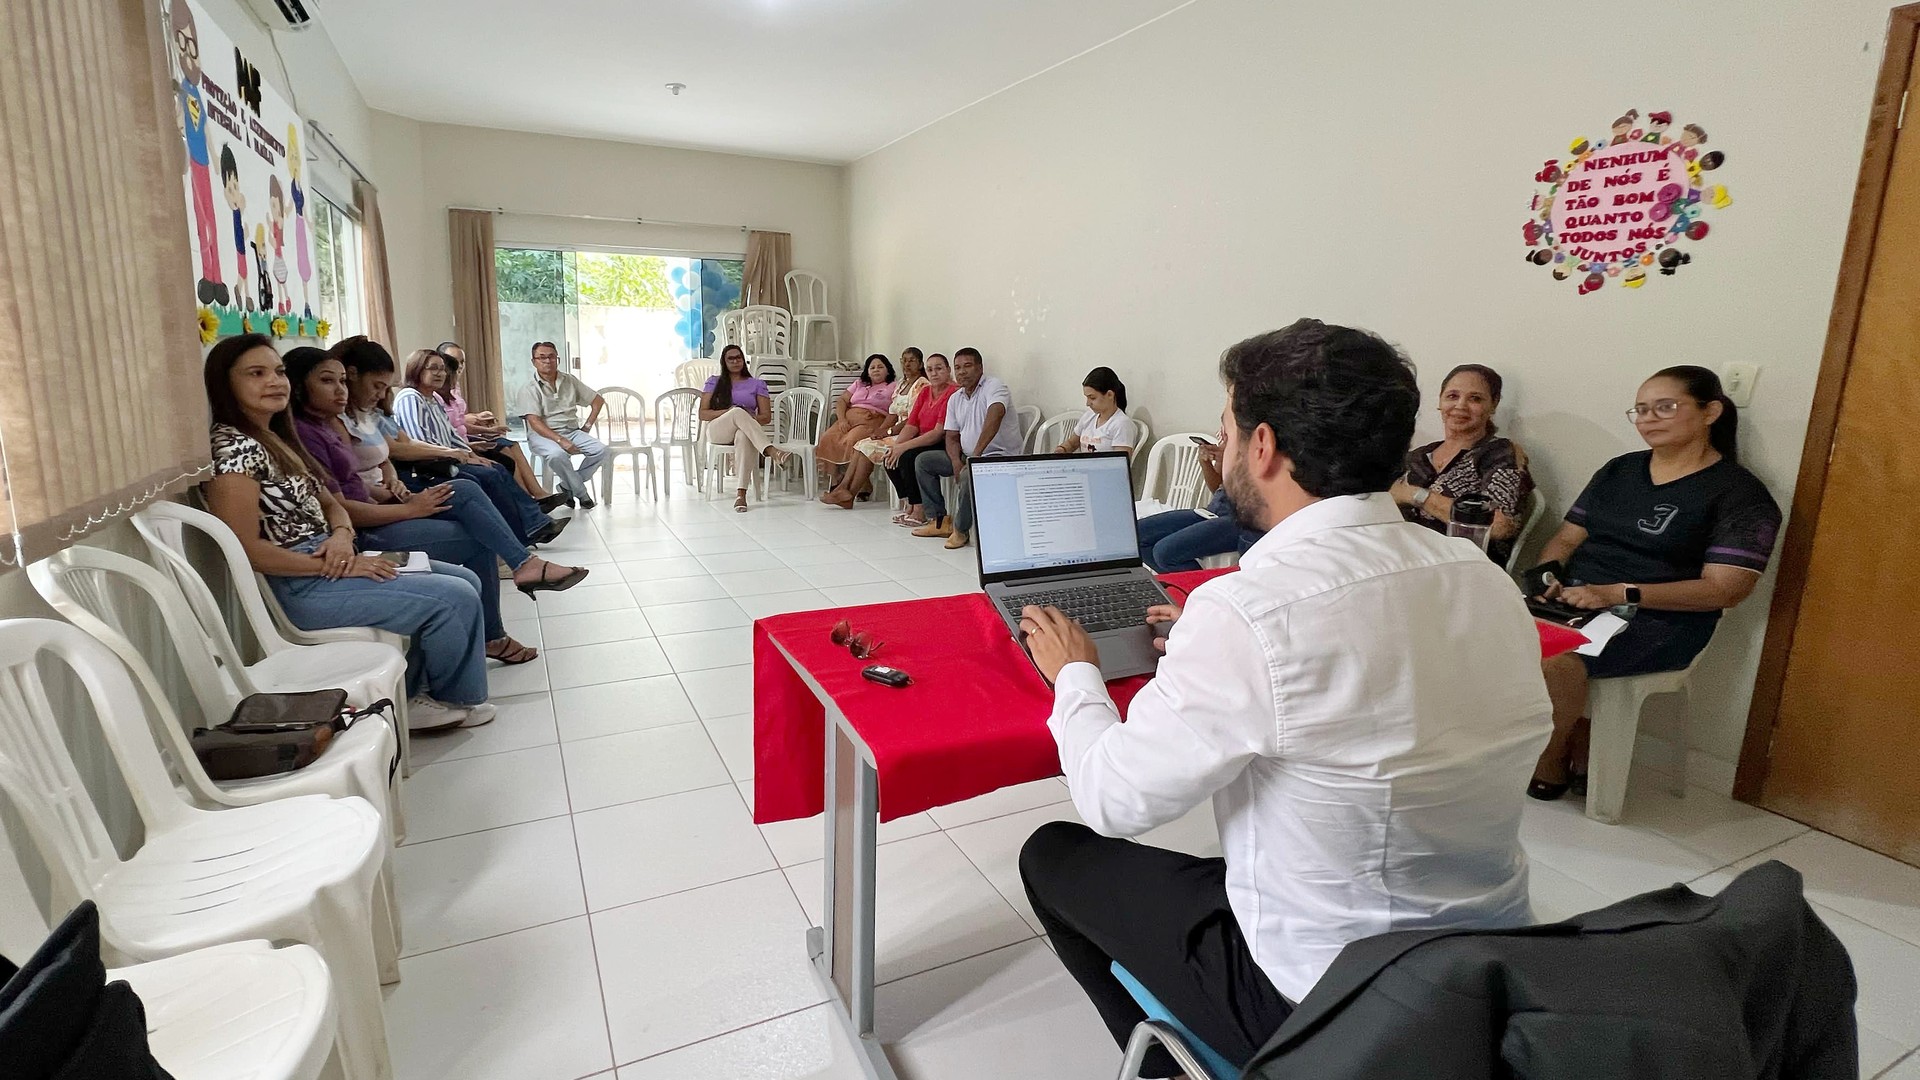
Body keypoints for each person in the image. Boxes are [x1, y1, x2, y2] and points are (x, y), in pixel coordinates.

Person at [1015, 319, 1553, 1077]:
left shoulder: (1250, 610)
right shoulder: (1483, 580)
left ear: (1261, 446)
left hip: (1321, 995)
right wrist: (1212, 644)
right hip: (1486, 964)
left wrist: (1075, 671)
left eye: (1227, 428)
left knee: (1054, 855)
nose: (1223, 447)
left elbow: (1112, 797)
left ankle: (1183, 1066)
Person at [203, 335, 500, 731]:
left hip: (333, 557)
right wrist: (337, 564)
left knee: (463, 577)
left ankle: (417, 692)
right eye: (256, 374)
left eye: (277, 372)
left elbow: (331, 504)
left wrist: (342, 537)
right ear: (227, 384)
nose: (274, 382)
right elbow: (246, 551)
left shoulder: (278, 437)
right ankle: (439, 700)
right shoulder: (233, 451)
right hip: (303, 583)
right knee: (453, 597)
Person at [1525, 366, 1780, 800]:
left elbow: (1725, 590)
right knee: (1484, 630)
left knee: (1553, 657)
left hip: (1659, 618)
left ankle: (1552, 755)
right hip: (1576, 599)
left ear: (1710, 411)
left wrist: (1616, 593)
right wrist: (1548, 576)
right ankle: (1572, 738)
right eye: (1640, 410)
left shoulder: (1739, 494)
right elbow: (1566, 539)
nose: (1648, 418)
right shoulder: (1619, 471)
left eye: (1665, 407)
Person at [285, 348, 588, 667]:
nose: (342, 390)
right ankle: (521, 565)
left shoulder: (340, 420)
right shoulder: (314, 431)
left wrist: (389, 482)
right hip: (373, 528)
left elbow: (374, 463)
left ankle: (518, 570)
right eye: (330, 381)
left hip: (386, 502)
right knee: (475, 496)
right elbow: (347, 502)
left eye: (343, 381)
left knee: (475, 485)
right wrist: (410, 506)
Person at [342, 339, 565, 548]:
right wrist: (458, 452)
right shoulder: (409, 398)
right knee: (488, 474)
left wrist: (468, 451)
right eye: (433, 368)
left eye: (443, 368)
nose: (441, 373)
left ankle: (529, 525)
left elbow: (442, 434)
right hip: (425, 467)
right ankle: (525, 532)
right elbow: (411, 445)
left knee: (499, 461)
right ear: (417, 369)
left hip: (438, 458)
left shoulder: (432, 398)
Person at [1390, 364, 1535, 566]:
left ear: (1493, 405)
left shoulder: (1500, 454)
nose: (1461, 405)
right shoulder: (1417, 456)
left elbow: (1500, 525)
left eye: (1475, 398)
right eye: (1452, 396)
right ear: (1440, 401)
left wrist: (1415, 495)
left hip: (1462, 566)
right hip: (1402, 557)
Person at [911, 348, 1024, 550]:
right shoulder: (956, 398)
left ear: (980, 367)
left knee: (967, 475)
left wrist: (976, 456)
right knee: (923, 461)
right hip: (968, 455)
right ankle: (939, 520)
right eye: (958, 367)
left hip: (998, 456)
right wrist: (956, 461)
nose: (962, 372)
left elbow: (995, 414)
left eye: (967, 366)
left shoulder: (995, 386)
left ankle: (960, 530)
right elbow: (952, 436)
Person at [437, 341, 560, 508]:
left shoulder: (454, 387)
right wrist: (472, 442)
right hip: (459, 444)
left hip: (464, 438)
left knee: (512, 445)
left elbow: (459, 422)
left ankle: (537, 494)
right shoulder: (437, 394)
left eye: (462, 362)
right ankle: (528, 501)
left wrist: (484, 425)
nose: (458, 366)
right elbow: (452, 427)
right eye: (454, 360)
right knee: (505, 453)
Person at [1135, 433, 1262, 572]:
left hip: (1241, 518)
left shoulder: (1259, 448)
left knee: (1164, 552)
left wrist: (1235, 463)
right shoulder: (1231, 441)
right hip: (1214, 511)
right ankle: (1179, 583)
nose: (1223, 436)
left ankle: (1197, 588)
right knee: (1137, 537)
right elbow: (1217, 488)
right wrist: (1206, 463)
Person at [513, 341, 609, 509]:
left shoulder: (569, 380)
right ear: (533, 361)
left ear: (557, 359)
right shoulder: (529, 389)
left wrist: (586, 427)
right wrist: (560, 440)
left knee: (602, 450)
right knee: (557, 455)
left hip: (571, 431)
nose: (547, 361)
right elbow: (534, 422)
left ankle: (566, 487)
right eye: (542, 357)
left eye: (551, 357)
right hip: (542, 435)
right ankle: (582, 493)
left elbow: (598, 400)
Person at [699, 344, 790, 513]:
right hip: (718, 429)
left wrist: (747, 418)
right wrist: (731, 412)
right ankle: (771, 451)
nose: (735, 361)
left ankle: (741, 494)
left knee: (743, 435)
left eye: (738, 357)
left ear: (743, 360)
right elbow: (703, 414)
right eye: (730, 358)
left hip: (744, 428)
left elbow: (766, 417)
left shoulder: (757, 384)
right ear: (724, 362)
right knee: (737, 412)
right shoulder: (714, 381)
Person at [882, 354, 959, 527]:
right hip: (924, 439)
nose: (934, 373)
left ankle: (920, 510)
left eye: (939, 368)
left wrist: (904, 448)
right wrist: (896, 446)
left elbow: (938, 433)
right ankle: (910, 503)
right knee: (889, 457)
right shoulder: (925, 392)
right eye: (930, 369)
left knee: (909, 457)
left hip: (944, 441)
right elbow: (912, 425)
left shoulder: (953, 393)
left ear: (948, 370)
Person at [813, 353, 897, 492]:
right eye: (872, 367)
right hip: (849, 419)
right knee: (827, 438)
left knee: (852, 440)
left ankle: (858, 484)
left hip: (872, 421)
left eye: (880, 367)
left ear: (888, 370)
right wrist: (842, 420)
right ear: (868, 372)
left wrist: (883, 429)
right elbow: (842, 401)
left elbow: (894, 410)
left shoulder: (893, 386)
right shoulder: (859, 383)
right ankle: (836, 479)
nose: (876, 370)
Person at [1051, 367, 1135, 455]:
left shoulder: (1121, 424)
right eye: (1086, 397)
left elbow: (1121, 463)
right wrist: (1062, 449)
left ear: (1110, 395)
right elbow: (1072, 443)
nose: (1087, 403)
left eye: (1092, 398)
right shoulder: (1089, 416)